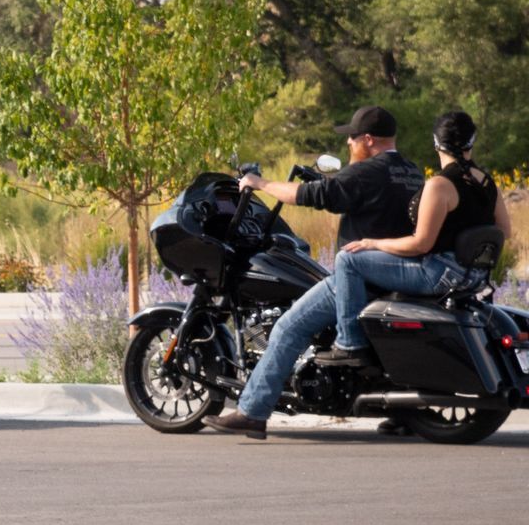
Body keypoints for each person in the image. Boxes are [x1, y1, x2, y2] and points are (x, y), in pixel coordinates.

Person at [206, 105, 427, 438]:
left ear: (368, 139)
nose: (348, 143)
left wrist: (259, 182)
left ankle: (252, 411)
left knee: (287, 328)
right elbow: (356, 193)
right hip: (396, 273)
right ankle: (400, 413)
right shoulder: (411, 171)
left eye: (352, 137)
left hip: (359, 277)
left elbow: (310, 195)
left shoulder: (366, 171)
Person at [323, 111, 512, 363]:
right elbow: (505, 231)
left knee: (348, 260)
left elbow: (421, 244)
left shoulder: (440, 185)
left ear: (436, 143)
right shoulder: (487, 183)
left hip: (438, 274)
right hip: (475, 278)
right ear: (472, 141)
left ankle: (349, 344)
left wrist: (373, 243)